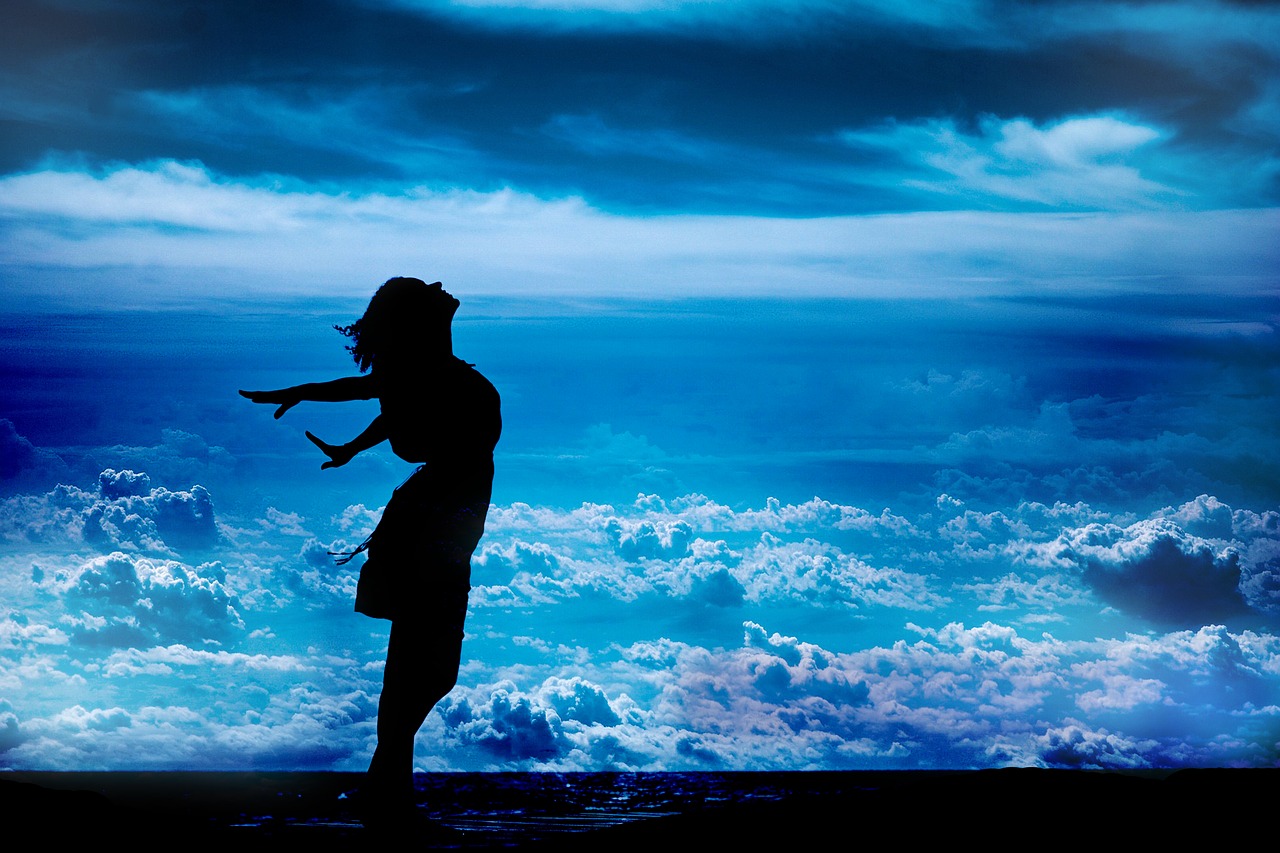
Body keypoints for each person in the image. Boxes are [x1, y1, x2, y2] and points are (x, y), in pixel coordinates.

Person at [240, 277, 500, 828]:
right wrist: (306, 392)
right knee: (420, 666)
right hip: (428, 529)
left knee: (420, 668)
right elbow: (367, 393)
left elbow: (388, 406)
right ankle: (387, 794)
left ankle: (386, 789)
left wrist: (349, 448)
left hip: (432, 521)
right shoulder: (422, 375)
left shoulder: (432, 379)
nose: (447, 305)